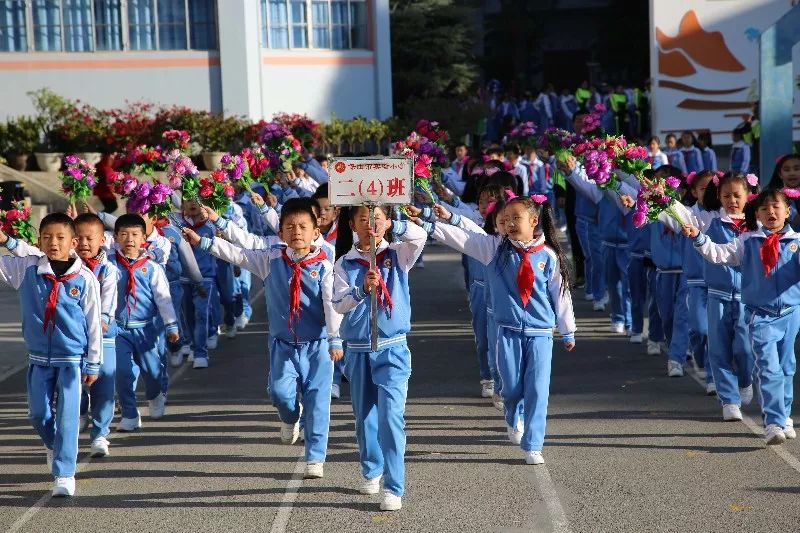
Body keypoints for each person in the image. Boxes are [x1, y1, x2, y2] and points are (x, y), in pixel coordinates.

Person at [184, 198, 342, 480]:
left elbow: (331, 303)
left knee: (319, 401)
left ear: (315, 231)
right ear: (280, 233)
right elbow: (238, 254)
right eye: (290, 227)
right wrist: (203, 242)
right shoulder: (270, 260)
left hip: (317, 345)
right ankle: (290, 417)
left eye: (303, 226)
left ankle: (315, 457)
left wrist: (334, 338)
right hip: (282, 344)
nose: (296, 232)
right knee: (280, 395)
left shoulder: (325, 263)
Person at [424, 197, 575, 466]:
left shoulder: (548, 255)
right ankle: (512, 412)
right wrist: (428, 224)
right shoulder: (494, 249)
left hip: (540, 332)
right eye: (505, 221)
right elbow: (461, 238)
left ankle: (533, 444)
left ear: (534, 221)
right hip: (507, 331)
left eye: (516, 218)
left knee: (538, 389)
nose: (510, 224)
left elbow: (560, 294)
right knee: (512, 385)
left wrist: (567, 331)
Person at [683, 189, 799, 445]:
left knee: (787, 366)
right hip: (761, 315)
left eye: (776, 207)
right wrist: (699, 238)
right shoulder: (748, 241)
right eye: (764, 208)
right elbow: (720, 254)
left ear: (787, 211)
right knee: (769, 369)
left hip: (791, 314)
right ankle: (773, 423)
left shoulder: (796, 242)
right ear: (756, 214)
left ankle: (785, 414)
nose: (771, 212)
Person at [332, 205, 427, 512]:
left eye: (376, 218)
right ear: (351, 224)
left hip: (393, 347)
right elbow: (338, 303)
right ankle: (372, 469)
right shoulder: (344, 263)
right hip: (358, 350)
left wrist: (398, 224)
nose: (369, 224)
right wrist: (362, 290)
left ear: (387, 222)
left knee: (391, 417)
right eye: (362, 219)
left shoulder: (399, 255)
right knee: (365, 417)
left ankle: (394, 486)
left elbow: (420, 235)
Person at [0, 213, 102, 497]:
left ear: (74, 242)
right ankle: (53, 444)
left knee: (68, 417)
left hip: (71, 360)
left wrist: (94, 361)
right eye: (47, 237)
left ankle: (64, 473)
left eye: (60, 238)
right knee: (37, 414)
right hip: (38, 358)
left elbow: (93, 322)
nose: (53, 243)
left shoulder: (84, 278)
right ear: (38, 241)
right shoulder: (27, 270)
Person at [111, 214, 180, 431]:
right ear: (115, 238)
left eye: (134, 234)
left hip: (146, 328)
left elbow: (163, 298)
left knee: (152, 371)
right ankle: (130, 415)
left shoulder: (151, 267)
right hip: (119, 330)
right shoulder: (109, 264)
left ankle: (155, 394)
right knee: (122, 372)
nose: (129, 239)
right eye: (123, 234)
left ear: (143, 238)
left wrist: (171, 325)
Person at [699, 172, 757, 420]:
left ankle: (745, 381)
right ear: (719, 197)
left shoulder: (758, 226)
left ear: (748, 195)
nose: (732, 200)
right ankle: (729, 400)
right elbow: (677, 213)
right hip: (717, 295)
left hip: (748, 298)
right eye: (726, 195)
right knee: (719, 348)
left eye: (737, 195)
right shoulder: (711, 222)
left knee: (744, 348)